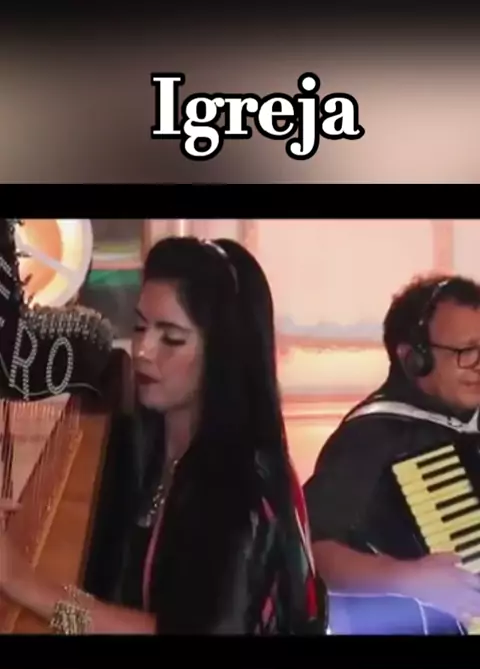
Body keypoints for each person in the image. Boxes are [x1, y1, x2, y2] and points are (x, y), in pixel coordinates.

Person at [0, 236, 326, 634]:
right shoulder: (140, 443)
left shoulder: (244, 488)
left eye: (171, 338)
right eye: (140, 326)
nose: (143, 350)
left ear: (223, 354)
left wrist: (23, 582)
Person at [304, 273, 480, 634]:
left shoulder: (469, 423)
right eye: (466, 352)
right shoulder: (371, 437)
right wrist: (408, 577)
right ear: (414, 358)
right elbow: (310, 552)